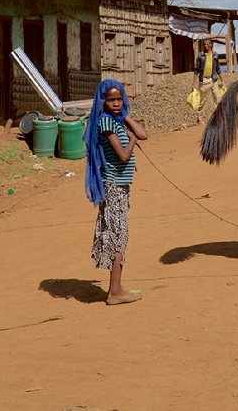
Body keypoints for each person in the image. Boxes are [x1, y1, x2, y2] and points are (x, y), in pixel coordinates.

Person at [83, 78, 148, 305]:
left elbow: (145, 135)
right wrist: (130, 139)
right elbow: (122, 155)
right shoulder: (106, 123)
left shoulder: (116, 120)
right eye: (111, 100)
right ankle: (115, 292)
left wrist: (127, 116)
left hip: (121, 186)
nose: (117, 103)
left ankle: (116, 288)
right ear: (103, 101)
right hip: (114, 188)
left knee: (119, 235)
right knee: (117, 236)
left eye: (120, 99)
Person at [192, 38, 225, 123]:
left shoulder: (215, 55)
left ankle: (219, 118)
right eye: (204, 45)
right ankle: (200, 119)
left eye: (207, 44)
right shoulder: (200, 56)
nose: (206, 46)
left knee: (217, 99)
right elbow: (197, 70)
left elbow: (218, 68)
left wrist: (222, 80)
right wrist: (193, 84)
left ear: (211, 45)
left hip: (213, 80)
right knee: (203, 101)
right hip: (204, 81)